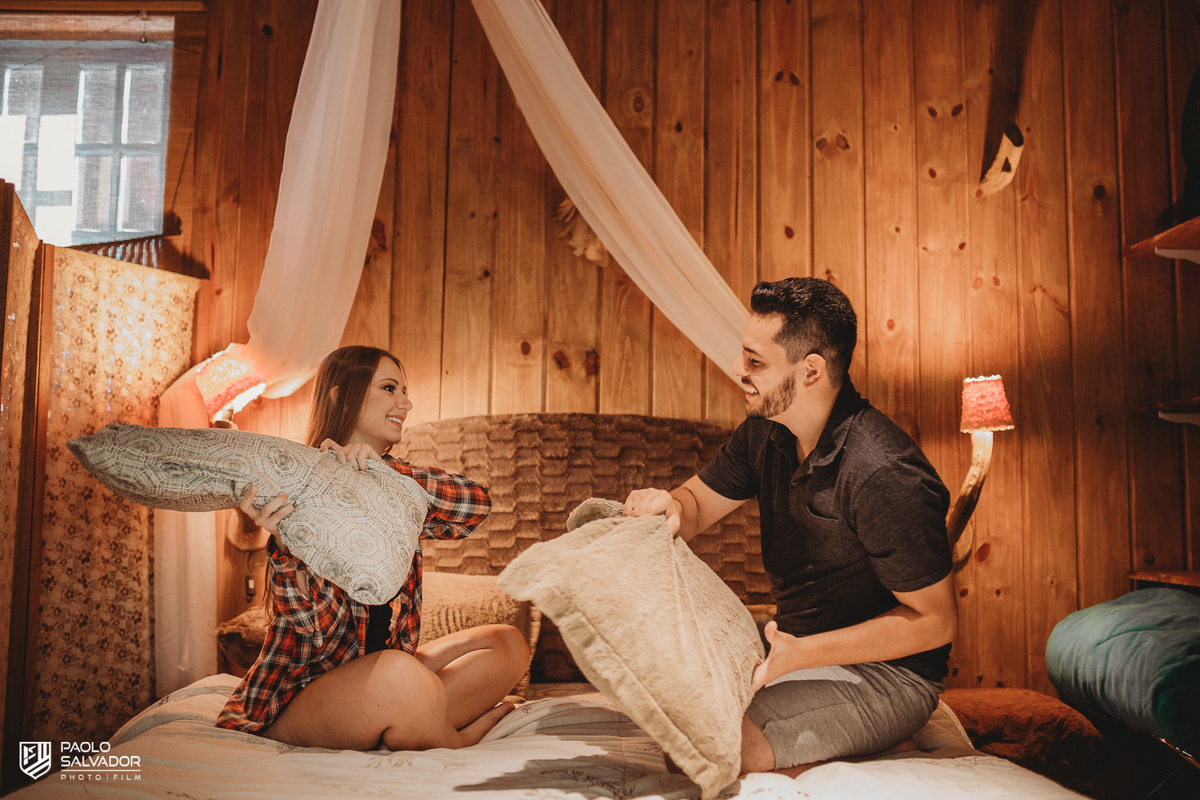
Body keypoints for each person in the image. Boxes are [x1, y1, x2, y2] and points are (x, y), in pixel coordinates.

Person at [624, 277, 957, 775]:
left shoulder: (884, 472)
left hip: (889, 675)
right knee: (661, 705)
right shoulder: (764, 432)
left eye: (755, 362)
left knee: (699, 750)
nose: (737, 371)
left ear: (811, 371)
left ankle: (883, 739)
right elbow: (693, 504)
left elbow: (937, 622)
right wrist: (668, 505)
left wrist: (804, 653)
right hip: (796, 650)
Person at [216, 345, 528, 751]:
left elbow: (475, 506)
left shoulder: (396, 490)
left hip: (383, 676)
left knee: (508, 643)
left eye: (404, 390)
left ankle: (409, 715)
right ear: (340, 394)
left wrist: (384, 473)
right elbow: (309, 634)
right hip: (303, 696)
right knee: (401, 674)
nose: (406, 402)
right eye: (390, 388)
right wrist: (286, 544)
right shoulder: (300, 485)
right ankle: (457, 737)